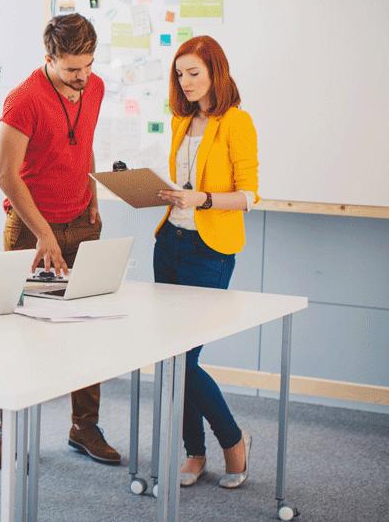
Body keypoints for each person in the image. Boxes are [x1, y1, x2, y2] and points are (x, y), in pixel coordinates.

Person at [0, 13, 120, 468]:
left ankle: (84, 427)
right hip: (31, 230)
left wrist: (93, 194)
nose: (82, 77)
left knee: (88, 330)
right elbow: (7, 176)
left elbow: (83, 143)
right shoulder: (22, 100)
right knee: (21, 335)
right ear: (48, 59)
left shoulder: (95, 86)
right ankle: (8, 433)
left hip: (82, 223)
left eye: (88, 65)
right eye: (72, 69)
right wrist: (44, 232)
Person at [155, 35, 258, 489]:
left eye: (194, 72)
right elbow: (181, 181)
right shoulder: (181, 121)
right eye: (180, 74)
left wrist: (204, 199)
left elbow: (250, 194)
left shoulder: (237, 122)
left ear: (216, 71)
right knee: (170, 355)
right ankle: (193, 452)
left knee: (183, 358)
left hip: (210, 250)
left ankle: (232, 439)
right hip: (170, 242)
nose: (186, 81)